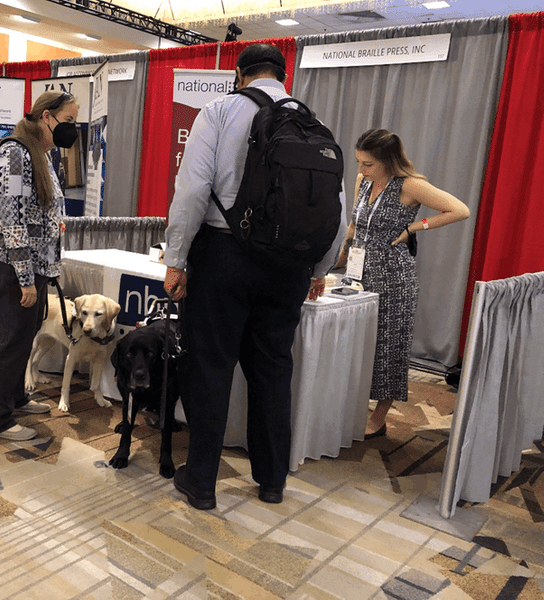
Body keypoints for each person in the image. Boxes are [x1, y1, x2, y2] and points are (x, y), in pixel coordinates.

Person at [163, 43, 348, 510]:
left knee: (210, 366)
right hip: (288, 266)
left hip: (224, 255)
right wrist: (319, 269)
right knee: (272, 370)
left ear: (240, 75)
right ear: (284, 75)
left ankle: (202, 481)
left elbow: (192, 191)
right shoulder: (313, 125)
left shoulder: (220, 111)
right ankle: (271, 481)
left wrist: (176, 258)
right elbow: (337, 213)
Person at [335, 129, 470, 438]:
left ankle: (380, 415)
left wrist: (414, 226)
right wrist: (340, 257)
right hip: (359, 274)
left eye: (367, 164)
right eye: (359, 163)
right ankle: (355, 402)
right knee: (359, 343)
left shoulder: (410, 185)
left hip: (394, 277)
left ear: (386, 160)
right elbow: (355, 224)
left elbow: (460, 210)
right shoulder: (364, 182)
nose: (361, 170)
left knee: (388, 346)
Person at [0, 91, 80, 441]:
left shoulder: (41, 155)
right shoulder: (14, 155)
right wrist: (25, 279)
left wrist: (45, 270)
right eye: (68, 120)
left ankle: (16, 398)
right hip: (14, 268)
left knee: (23, 339)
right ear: (45, 117)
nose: (73, 128)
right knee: (8, 342)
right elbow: (12, 222)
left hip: (34, 269)